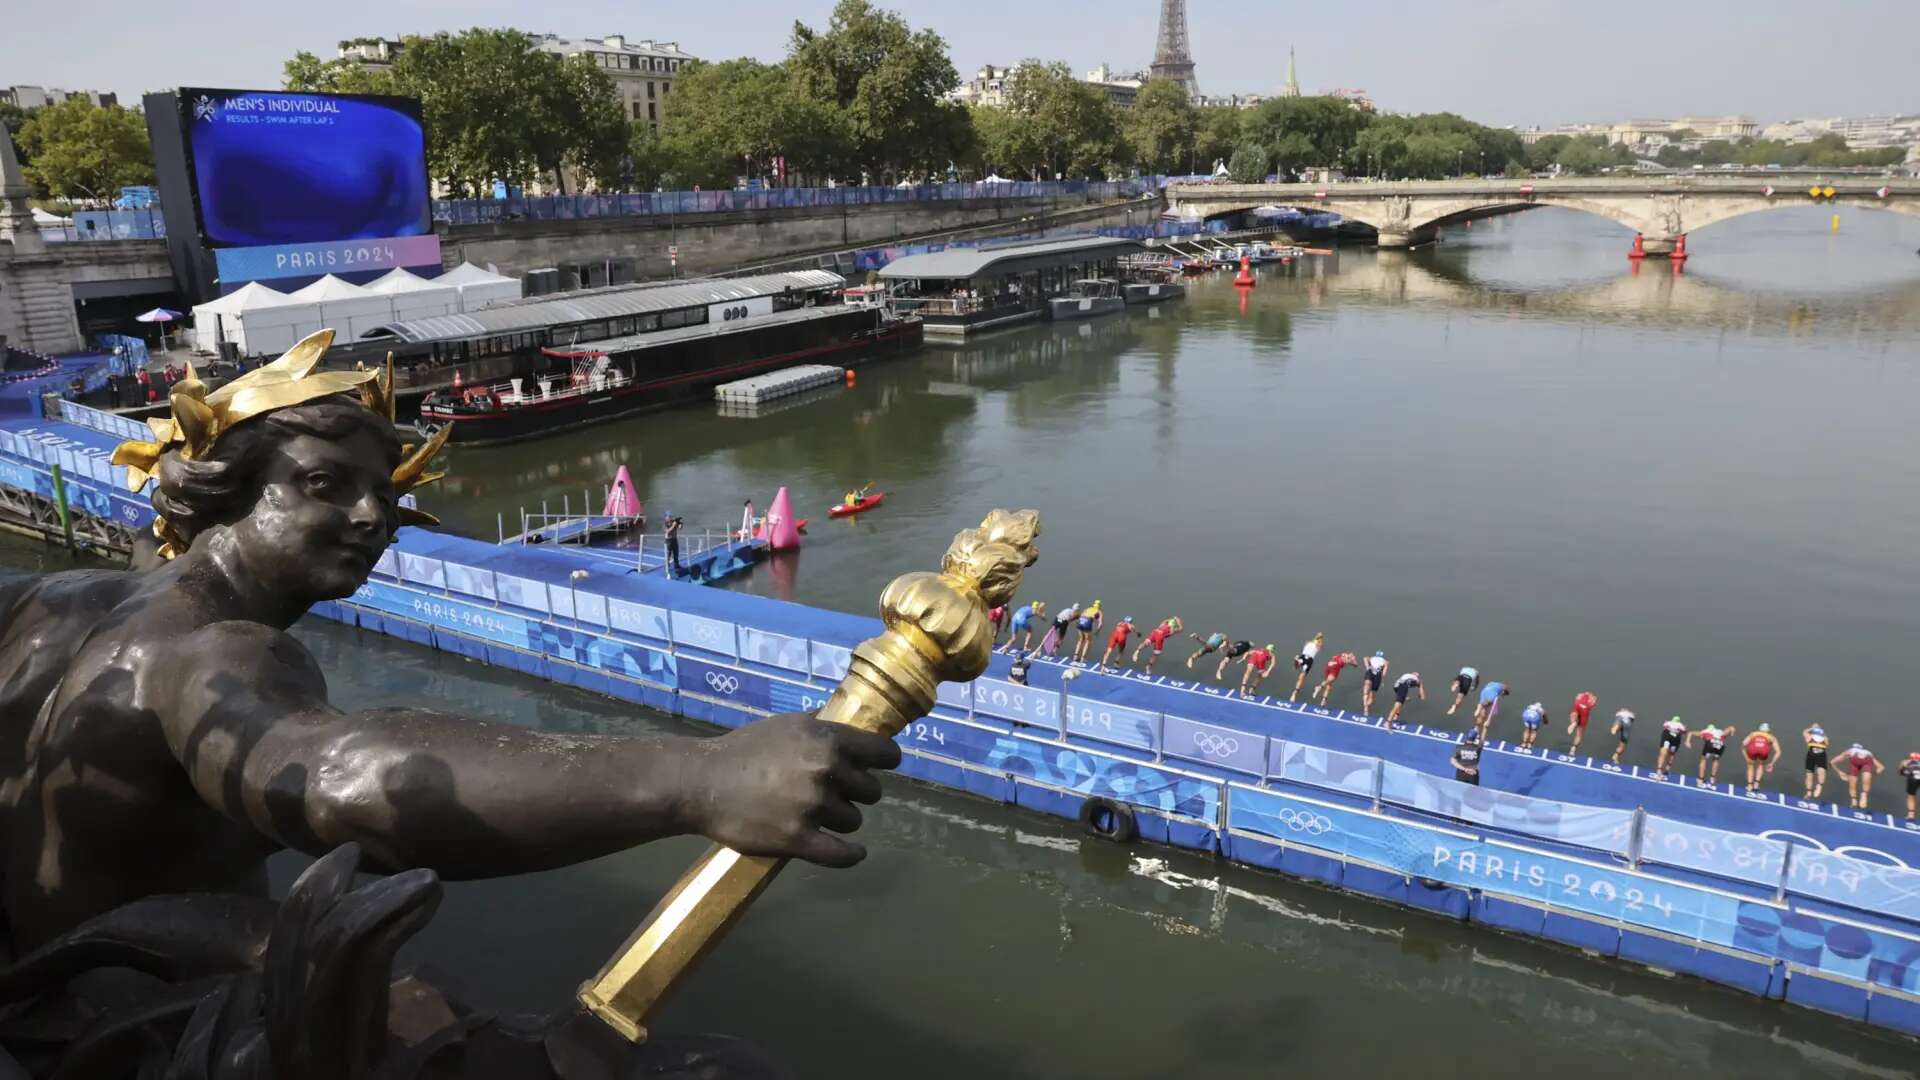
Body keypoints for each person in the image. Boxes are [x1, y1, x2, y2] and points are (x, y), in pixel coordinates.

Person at [0, 336, 899, 962]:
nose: (371, 517)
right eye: (324, 484)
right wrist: (701, 779)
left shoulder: (58, 601)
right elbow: (342, 779)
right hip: (130, 1027)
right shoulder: (217, 651)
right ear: (223, 490)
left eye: (385, 497)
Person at [1841, 743, 1885, 810]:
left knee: (1852, 784)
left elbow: (1838, 759)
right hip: (1867, 762)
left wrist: (1839, 771)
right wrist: (1872, 774)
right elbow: (1881, 767)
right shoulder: (1866, 753)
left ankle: (1854, 801)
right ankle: (1863, 794)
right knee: (1865, 784)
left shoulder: (1851, 751)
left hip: (1855, 762)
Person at [1742, 724, 1781, 795]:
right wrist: (1772, 763)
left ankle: (1750, 785)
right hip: (1764, 750)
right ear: (1768, 730)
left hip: (1753, 749)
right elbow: (1778, 752)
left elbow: (1743, 744)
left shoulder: (1753, 734)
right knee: (1761, 765)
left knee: (1750, 765)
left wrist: (1746, 757)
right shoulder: (1771, 737)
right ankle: (1756, 785)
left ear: (1759, 729)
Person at [1289, 633, 1326, 701]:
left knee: (1300, 675)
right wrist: (1319, 637)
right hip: (1307, 658)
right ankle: (1294, 693)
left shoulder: (1316, 644)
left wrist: (1320, 638)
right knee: (1299, 675)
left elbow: (1320, 643)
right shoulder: (1310, 643)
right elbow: (1317, 641)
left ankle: (1294, 693)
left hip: (1305, 658)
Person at [1804, 723, 1832, 800]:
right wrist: (1812, 729)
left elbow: (1827, 743)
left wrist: (1822, 733)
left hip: (1821, 754)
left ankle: (1820, 785)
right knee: (1809, 774)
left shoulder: (1823, 736)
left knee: (1821, 771)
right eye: (1815, 727)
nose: (1816, 728)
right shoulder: (1809, 735)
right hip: (1811, 754)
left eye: (1818, 727)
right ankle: (1809, 792)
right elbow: (1805, 732)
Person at [663, 512, 684, 578]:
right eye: (668, 516)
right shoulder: (664, 524)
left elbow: (680, 528)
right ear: (665, 517)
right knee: (668, 554)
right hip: (668, 540)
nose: (670, 518)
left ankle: (676, 565)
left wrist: (680, 523)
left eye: (671, 516)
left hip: (674, 539)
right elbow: (667, 531)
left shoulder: (674, 522)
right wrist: (673, 526)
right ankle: (667, 567)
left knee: (676, 553)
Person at [1901, 753, 1920, 821]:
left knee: (1911, 796)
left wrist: (1903, 766)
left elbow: (1902, 772)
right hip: (1915, 777)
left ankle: (1911, 815)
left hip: (1913, 779)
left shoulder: (1908, 762)